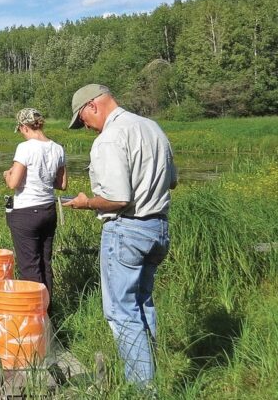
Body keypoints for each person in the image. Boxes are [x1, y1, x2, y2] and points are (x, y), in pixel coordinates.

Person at [62, 84, 177, 388]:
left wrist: (86, 203)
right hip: (158, 228)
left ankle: (142, 389)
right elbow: (172, 181)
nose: (86, 127)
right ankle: (152, 378)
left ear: (93, 106)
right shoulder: (152, 127)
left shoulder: (109, 138)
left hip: (127, 229)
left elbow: (117, 199)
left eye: (83, 119)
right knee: (142, 305)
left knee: (121, 313)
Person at [3, 107, 67, 302]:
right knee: (45, 263)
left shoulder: (26, 148)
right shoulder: (57, 148)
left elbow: (14, 183)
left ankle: (35, 319)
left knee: (29, 266)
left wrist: (7, 175)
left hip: (26, 213)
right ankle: (48, 312)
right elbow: (62, 184)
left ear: (24, 127)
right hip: (48, 210)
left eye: (21, 130)